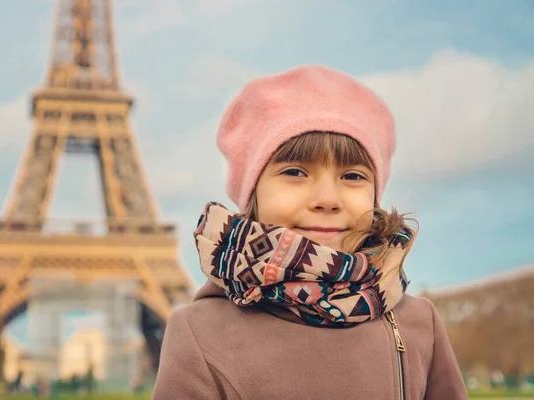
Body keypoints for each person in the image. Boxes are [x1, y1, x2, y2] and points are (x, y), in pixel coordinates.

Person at [152, 65, 468, 399]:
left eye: (352, 176)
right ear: (252, 194)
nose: (327, 200)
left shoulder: (419, 321)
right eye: (295, 172)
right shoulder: (198, 330)